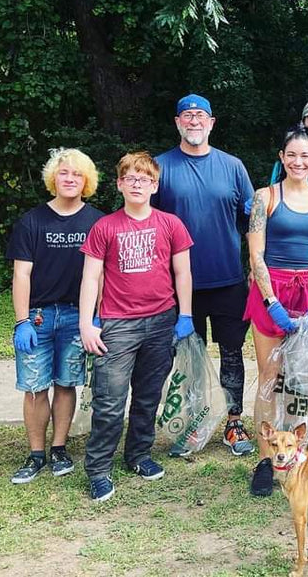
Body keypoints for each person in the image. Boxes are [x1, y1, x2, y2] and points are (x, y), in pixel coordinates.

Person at [79, 151, 196, 502]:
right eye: (130, 178)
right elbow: (90, 277)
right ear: (119, 184)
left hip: (161, 321)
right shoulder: (105, 226)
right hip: (118, 324)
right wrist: (87, 323)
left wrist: (185, 315)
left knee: (147, 397)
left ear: (154, 185)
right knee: (110, 400)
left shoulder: (170, 224)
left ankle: (138, 455)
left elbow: (182, 272)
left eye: (143, 179)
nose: (136, 184)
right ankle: (98, 468)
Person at [153, 94, 256, 455]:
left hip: (227, 279)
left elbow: (249, 222)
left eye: (201, 116)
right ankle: (195, 423)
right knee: (187, 358)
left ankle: (233, 423)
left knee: (231, 354)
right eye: (187, 115)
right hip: (179, 286)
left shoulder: (232, 166)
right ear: (177, 122)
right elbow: (145, 223)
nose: (194, 121)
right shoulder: (160, 167)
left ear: (212, 123)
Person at [246, 125, 308, 497]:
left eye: (306, 155)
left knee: (304, 378)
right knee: (270, 377)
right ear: (282, 158)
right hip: (273, 291)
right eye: (292, 154)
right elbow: (255, 254)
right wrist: (272, 302)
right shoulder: (264, 197)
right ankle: (266, 460)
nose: (299, 161)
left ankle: (297, 454)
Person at [8, 148, 104, 484]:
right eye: (64, 173)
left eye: (77, 175)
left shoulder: (96, 221)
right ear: (54, 177)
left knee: (66, 383)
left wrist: (97, 316)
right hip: (38, 317)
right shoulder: (32, 221)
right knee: (35, 387)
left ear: (86, 181)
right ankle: (36, 453)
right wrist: (21, 321)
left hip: (78, 317)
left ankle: (60, 448)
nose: (70, 179)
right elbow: (21, 275)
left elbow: (103, 275)